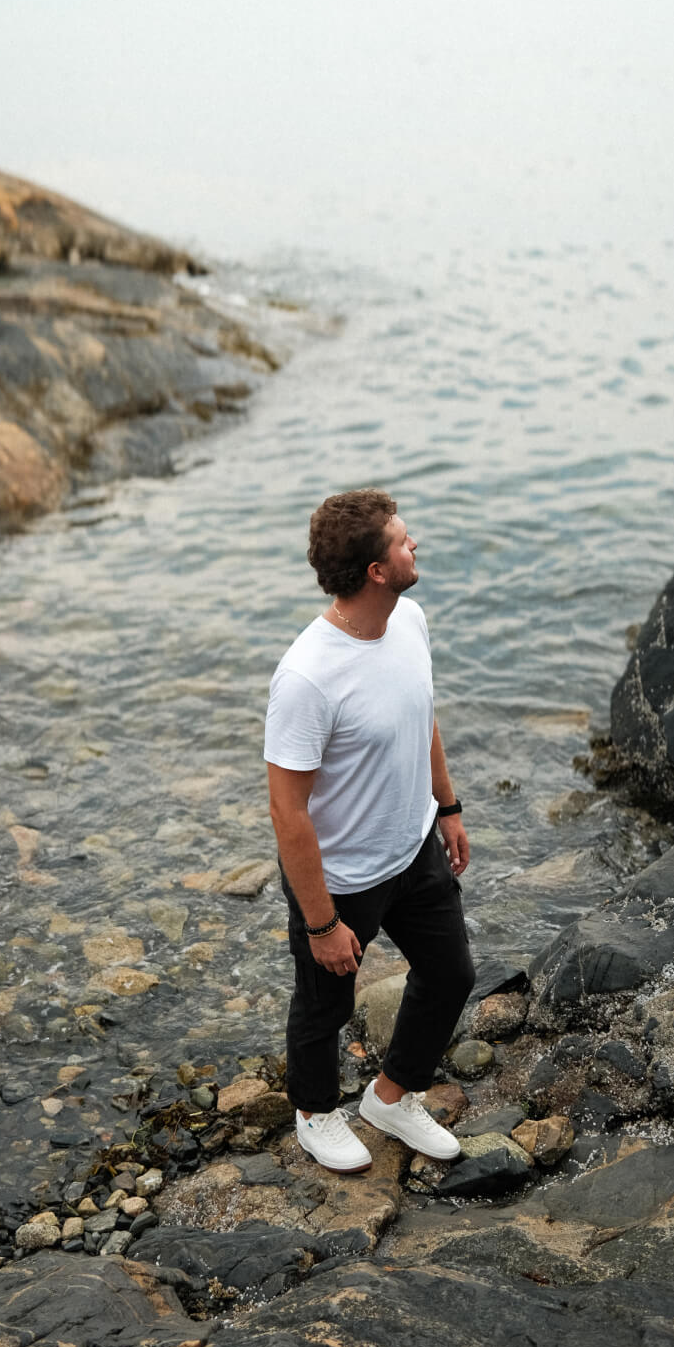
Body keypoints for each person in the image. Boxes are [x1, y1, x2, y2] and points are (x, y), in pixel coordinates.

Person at [264, 488, 475, 1173]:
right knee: (323, 1008)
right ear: (377, 571)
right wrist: (322, 921)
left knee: (451, 974)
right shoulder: (307, 677)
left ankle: (390, 1097)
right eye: (404, 540)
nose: (416, 544)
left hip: (413, 849)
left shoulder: (408, 619)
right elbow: (287, 812)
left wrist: (447, 807)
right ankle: (314, 1114)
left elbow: (423, 714)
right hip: (342, 876)